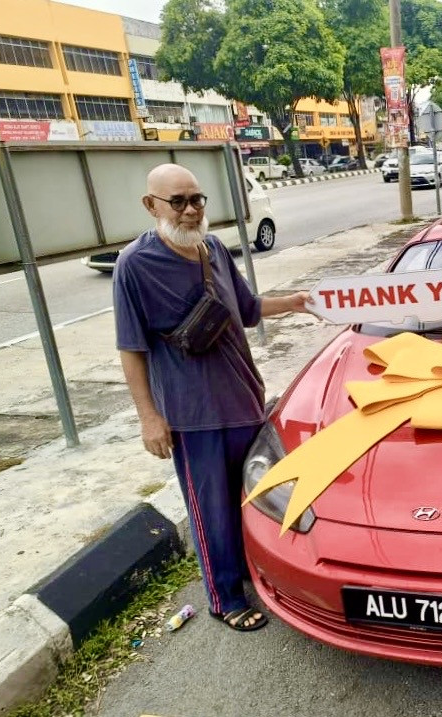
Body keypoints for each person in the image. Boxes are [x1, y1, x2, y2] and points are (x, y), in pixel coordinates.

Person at [113, 163, 310, 631]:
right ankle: (224, 598)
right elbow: (131, 349)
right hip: (191, 414)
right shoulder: (135, 266)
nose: (189, 210)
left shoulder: (214, 248)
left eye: (196, 199)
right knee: (211, 510)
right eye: (177, 201)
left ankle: (253, 571)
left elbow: (247, 310)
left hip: (243, 400)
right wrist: (149, 419)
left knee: (253, 497)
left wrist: (298, 302)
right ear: (151, 206)